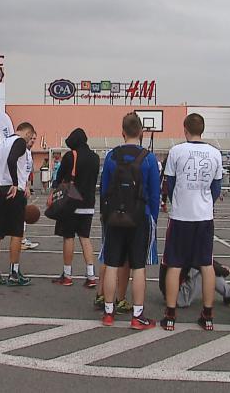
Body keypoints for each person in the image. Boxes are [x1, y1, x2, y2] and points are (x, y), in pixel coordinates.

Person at [161, 113, 224, 331]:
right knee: (206, 265)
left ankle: (170, 314)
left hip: (181, 216)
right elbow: (216, 187)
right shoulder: (215, 153)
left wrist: (178, 201)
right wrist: (205, 202)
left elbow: (170, 182)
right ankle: (207, 315)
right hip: (204, 216)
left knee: (174, 264)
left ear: (185, 129)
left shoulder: (176, 151)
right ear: (202, 129)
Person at [99, 112, 160, 329]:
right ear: (141, 132)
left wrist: (105, 216)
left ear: (122, 131)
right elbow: (155, 193)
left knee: (111, 264)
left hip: (114, 217)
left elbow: (104, 190)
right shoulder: (149, 158)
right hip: (139, 217)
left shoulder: (111, 157)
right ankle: (137, 315)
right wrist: (152, 217)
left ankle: (108, 312)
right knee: (138, 267)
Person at [0, 122, 37, 287]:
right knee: (16, 233)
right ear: (27, 133)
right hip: (13, 191)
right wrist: (15, 182)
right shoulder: (19, 142)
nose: (30, 140)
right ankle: (14, 273)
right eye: (31, 136)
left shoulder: (1, 143)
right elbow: (12, 159)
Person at [51, 128, 100, 288]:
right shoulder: (95, 157)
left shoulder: (70, 156)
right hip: (89, 203)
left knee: (69, 237)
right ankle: (91, 275)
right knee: (85, 238)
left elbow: (59, 179)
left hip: (71, 203)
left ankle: (67, 274)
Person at [158, 261, 230, 309]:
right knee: (207, 273)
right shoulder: (189, 249)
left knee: (204, 269)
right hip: (179, 297)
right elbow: (205, 264)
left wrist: (219, 267)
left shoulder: (177, 245)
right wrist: (223, 270)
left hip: (170, 294)